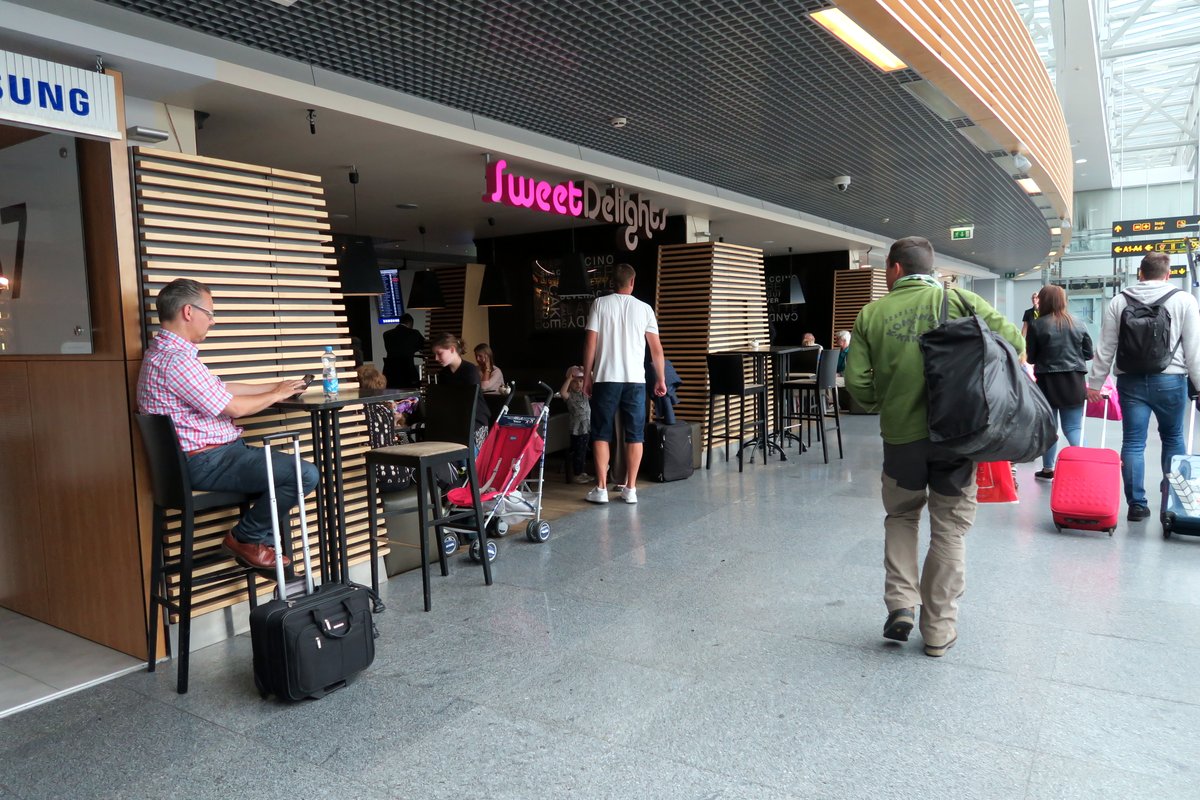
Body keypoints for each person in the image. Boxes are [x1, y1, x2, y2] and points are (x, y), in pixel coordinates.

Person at [845, 236, 1023, 658]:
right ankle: (939, 630)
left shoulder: (871, 313)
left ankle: (901, 604)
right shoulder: (960, 301)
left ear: (895, 268)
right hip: (956, 438)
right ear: (930, 268)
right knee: (949, 529)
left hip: (901, 440)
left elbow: (855, 383)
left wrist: (882, 402)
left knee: (901, 515)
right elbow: (1015, 343)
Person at [137, 278, 318, 570]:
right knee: (303, 474)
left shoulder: (164, 354)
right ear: (188, 312)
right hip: (207, 461)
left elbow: (221, 389)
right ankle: (246, 539)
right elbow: (234, 407)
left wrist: (278, 387)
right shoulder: (176, 361)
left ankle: (263, 550)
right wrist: (275, 395)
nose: (212, 321)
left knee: (284, 472)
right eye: (209, 314)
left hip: (212, 457)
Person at [1086, 252, 1200, 521]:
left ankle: (1137, 505)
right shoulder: (1184, 300)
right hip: (1170, 380)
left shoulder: (1119, 300)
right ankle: (1172, 500)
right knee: (1173, 438)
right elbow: (1194, 349)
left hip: (1130, 381)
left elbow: (1106, 346)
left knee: (1133, 442)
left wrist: (1095, 383)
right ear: (1167, 274)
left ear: (1140, 273)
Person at [582, 263, 666, 505]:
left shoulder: (600, 304)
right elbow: (656, 350)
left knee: (601, 433)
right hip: (635, 380)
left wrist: (587, 376)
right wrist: (660, 378)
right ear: (632, 282)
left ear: (612, 282)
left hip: (606, 378)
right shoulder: (645, 309)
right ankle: (630, 488)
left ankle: (601, 489)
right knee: (635, 435)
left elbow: (590, 344)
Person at [1025, 285, 1093, 481]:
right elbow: (1088, 353)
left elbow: (1031, 357)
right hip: (1074, 381)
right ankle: (1086, 468)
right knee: (1073, 428)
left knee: (1050, 428)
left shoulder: (1037, 325)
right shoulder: (1078, 323)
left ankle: (1048, 469)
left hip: (1047, 383)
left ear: (1044, 301)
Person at [431, 332, 489, 448]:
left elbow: (469, 402)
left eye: (439, 353)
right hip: (456, 422)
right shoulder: (443, 374)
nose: (436, 358)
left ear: (452, 349)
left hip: (475, 421)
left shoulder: (470, 370)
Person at [560, 365, 592, 484]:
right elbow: (563, 392)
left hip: (586, 427)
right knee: (578, 452)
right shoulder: (570, 396)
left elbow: (593, 384)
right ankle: (577, 474)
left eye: (580, 381)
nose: (578, 384)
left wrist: (588, 373)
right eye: (575, 382)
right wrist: (569, 379)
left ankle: (582, 472)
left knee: (584, 451)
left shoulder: (585, 394)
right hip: (576, 429)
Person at [383, 313, 425, 389]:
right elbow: (424, 347)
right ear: (410, 323)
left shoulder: (386, 334)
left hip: (390, 373)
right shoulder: (414, 333)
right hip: (407, 373)